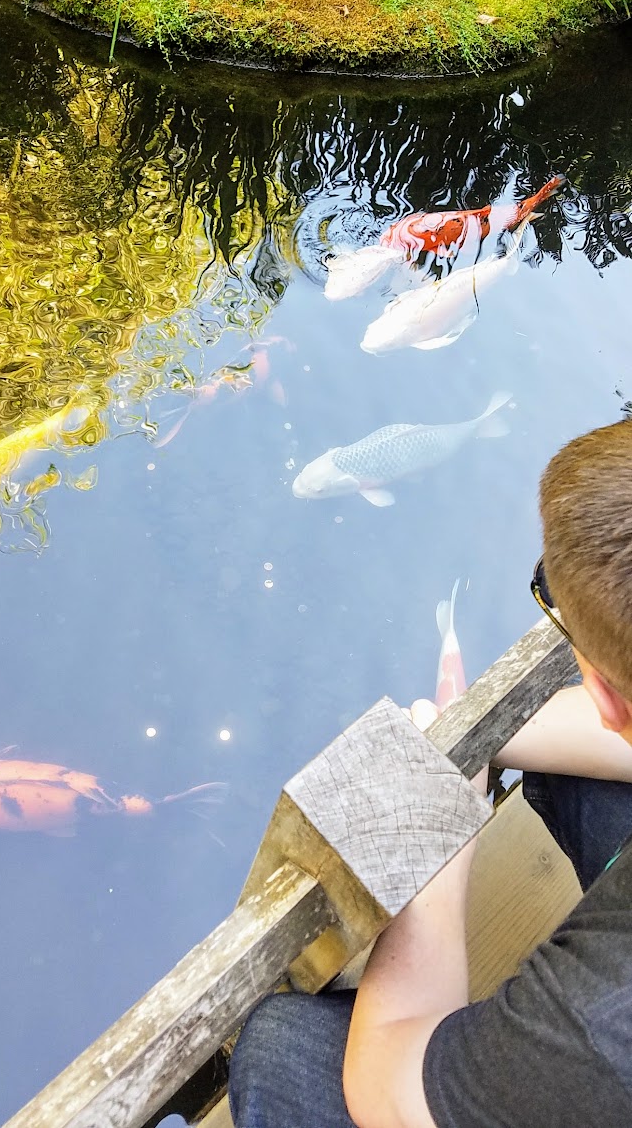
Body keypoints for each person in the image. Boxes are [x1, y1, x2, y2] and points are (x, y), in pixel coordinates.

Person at [228, 419, 632, 1128]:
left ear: (601, 692)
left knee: (281, 1049)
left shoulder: (600, 1026)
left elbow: (391, 1095)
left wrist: (440, 836)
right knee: (563, 767)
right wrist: (477, 736)